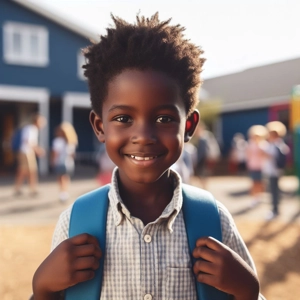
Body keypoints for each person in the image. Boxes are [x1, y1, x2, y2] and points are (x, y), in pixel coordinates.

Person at [32, 14, 263, 300]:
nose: (144, 136)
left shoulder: (214, 221)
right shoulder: (76, 222)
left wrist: (249, 293)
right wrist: (42, 289)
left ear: (188, 126)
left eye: (164, 118)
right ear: (100, 127)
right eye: (123, 118)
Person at [261, 121, 290, 220]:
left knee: (274, 191)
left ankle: (275, 210)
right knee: (274, 190)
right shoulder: (276, 144)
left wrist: (266, 154)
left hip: (274, 171)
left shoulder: (276, 144)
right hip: (273, 171)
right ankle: (275, 209)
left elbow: (274, 156)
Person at [14, 113, 46, 196]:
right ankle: (32, 189)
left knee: (23, 171)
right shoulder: (31, 129)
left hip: (27, 152)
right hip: (26, 152)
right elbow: (28, 142)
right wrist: (38, 150)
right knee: (31, 171)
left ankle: (18, 188)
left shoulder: (31, 129)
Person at [51, 122, 78, 202]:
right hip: (69, 162)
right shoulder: (71, 141)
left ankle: (62, 193)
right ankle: (65, 192)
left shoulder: (57, 141)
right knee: (66, 178)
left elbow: (56, 153)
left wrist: (53, 161)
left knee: (60, 178)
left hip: (60, 162)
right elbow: (72, 154)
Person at [245, 125, 267, 207]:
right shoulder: (250, 144)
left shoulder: (263, 144)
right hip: (253, 165)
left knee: (260, 182)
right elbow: (248, 154)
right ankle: (255, 197)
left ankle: (259, 196)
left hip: (261, 166)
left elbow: (264, 155)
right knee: (254, 182)